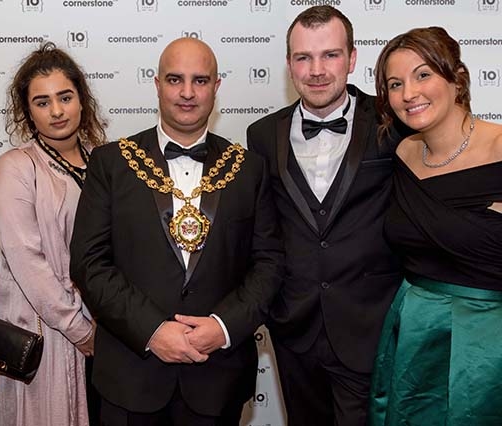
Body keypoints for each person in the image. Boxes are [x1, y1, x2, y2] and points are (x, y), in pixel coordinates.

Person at [70, 37, 284, 426]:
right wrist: (152, 330)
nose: (187, 93)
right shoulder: (111, 163)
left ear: (217, 87)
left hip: (216, 375)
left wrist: (222, 327)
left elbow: (268, 264)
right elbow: (89, 264)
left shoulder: (249, 168)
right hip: (130, 377)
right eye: (175, 80)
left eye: (200, 81)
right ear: (156, 84)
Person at [246, 6, 408, 426]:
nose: (316, 70)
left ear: (353, 59)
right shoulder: (262, 134)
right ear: (288, 64)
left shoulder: (394, 121)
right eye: (303, 57)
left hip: (369, 324)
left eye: (330, 55)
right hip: (294, 329)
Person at [368, 26, 502, 426]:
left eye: (423, 74)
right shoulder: (403, 152)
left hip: (489, 342)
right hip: (414, 336)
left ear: (456, 77)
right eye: (395, 83)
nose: (409, 93)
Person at [0, 42, 105, 426]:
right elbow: (27, 263)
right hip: (51, 334)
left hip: (107, 332)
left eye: (65, 97)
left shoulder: (103, 160)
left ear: (81, 100)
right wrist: (80, 330)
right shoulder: (16, 168)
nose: (56, 111)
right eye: (42, 102)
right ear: (27, 111)